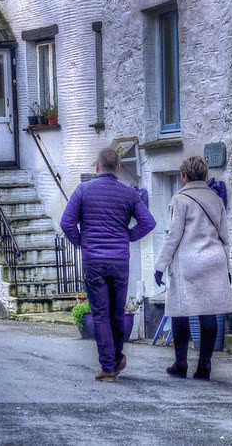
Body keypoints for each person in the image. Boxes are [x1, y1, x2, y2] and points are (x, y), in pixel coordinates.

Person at [61, 147, 156, 382]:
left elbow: (67, 223)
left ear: (96, 166)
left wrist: (82, 241)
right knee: (117, 311)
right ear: (117, 168)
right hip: (120, 261)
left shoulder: (83, 190)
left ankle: (109, 366)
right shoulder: (129, 194)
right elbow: (149, 222)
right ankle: (116, 359)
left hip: (94, 260)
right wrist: (128, 237)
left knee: (101, 313)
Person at [154, 156, 232, 380]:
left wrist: (160, 266)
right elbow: (225, 237)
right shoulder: (216, 199)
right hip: (214, 260)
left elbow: (173, 236)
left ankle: (180, 364)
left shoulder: (179, 199)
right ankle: (204, 366)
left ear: (184, 176)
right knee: (208, 312)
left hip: (189, 262)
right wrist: (227, 268)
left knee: (181, 312)